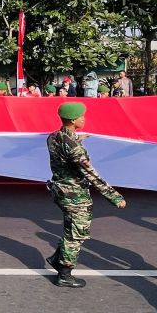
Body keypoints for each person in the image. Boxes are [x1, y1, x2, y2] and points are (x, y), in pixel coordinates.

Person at [44, 102, 126, 288]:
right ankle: (64, 274)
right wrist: (114, 197)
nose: (84, 118)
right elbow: (91, 174)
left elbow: (65, 147)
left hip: (60, 190)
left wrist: (77, 139)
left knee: (69, 228)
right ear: (73, 120)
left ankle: (57, 258)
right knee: (76, 234)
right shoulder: (74, 147)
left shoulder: (54, 137)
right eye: (81, 116)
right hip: (74, 195)